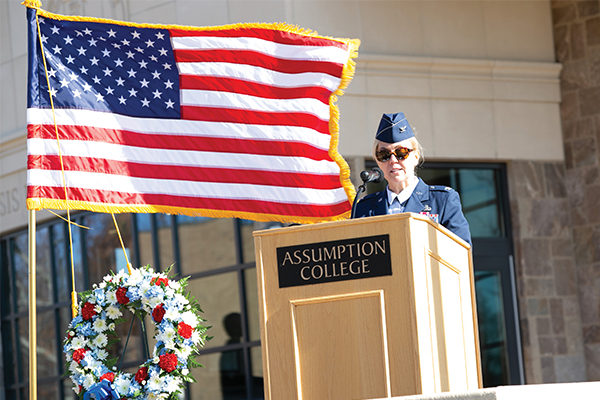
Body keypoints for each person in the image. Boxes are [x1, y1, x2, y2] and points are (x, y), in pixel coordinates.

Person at [353, 112, 472, 245]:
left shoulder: (442, 200)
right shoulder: (365, 208)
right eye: (384, 154)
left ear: (416, 156)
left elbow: (461, 251)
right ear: (378, 161)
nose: (393, 160)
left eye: (401, 153)